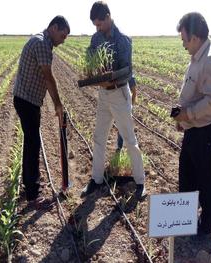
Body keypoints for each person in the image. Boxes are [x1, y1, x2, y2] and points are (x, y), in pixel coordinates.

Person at [81, 1, 145, 199]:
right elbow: (90, 59)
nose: (97, 28)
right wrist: (91, 71)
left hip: (118, 93)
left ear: (108, 17)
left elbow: (127, 70)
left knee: (129, 140)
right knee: (99, 137)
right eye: (95, 25)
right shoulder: (95, 38)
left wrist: (111, 76)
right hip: (103, 95)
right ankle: (96, 179)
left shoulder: (123, 40)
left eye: (99, 24)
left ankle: (140, 181)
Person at [172, 12, 211, 238]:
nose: (183, 43)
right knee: (187, 173)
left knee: (206, 178)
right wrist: (183, 120)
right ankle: (186, 219)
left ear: (194, 37)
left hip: (207, 132)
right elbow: (194, 93)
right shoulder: (197, 57)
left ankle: (206, 227)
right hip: (195, 129)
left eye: (184, 39)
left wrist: (189, 114)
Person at [13, 16, 70, 206]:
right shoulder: (42, 44)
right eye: (62, 35)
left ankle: (29, 185)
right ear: (54, 28)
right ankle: (33, 195)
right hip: (27, 100)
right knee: (32, 144)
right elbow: (48, 77)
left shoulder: (40, 40)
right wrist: (58, 104)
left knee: (30, 143)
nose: (63, 41)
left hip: (26, 99)